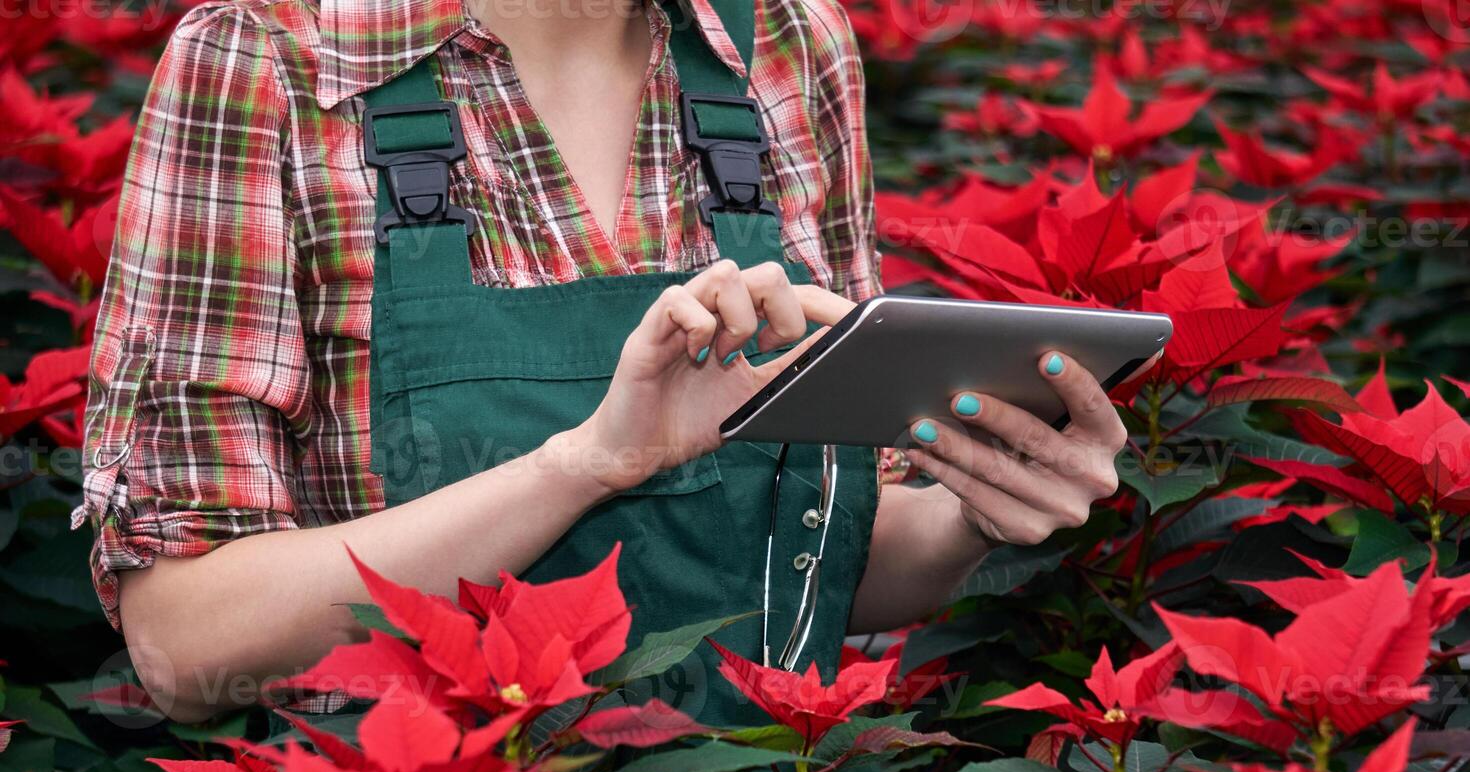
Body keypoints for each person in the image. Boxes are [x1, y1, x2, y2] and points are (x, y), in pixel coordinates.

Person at [80, 0, 1125, 725]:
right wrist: (584, 464)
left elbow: (824, 561)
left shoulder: (789, 49)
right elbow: (185, 644)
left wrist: (970, 510)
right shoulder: (266, 60)